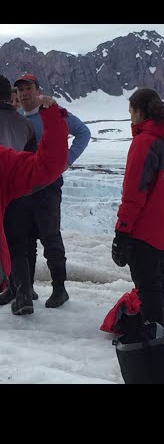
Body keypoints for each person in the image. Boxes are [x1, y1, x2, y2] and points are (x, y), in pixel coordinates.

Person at [111, 88, 164, 353]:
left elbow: (133, 194)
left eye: (131, 113)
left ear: (140, 111)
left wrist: (122, 233)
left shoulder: (145, 142)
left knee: (148, 291)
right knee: (159, 284)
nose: (130, 119)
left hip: (144, 232)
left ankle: (159, 348)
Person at [0, 74, 91, 313]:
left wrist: (67, 161)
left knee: (50, 237)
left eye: (28, 89)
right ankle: (24, 289)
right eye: (19, 90)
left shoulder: (49, 111)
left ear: (38, 90)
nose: (23, 94)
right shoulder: (20, 119)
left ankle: (59, 288)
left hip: (47, 186)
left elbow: (83, 132)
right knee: (22, 237)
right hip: (21, 185)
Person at [0, 77, 38, 301]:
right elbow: (32, 160)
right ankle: (22, 292)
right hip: (21, 190)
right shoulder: (25, 123)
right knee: (17, 241)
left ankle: (9, 287)